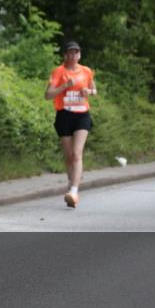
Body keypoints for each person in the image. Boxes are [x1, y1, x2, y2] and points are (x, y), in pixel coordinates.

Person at [45, 41, 96, 208]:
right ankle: (71, 182)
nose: (73, 55)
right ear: (65, 55)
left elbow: (94, 90)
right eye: (70, 52)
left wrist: (89, 92)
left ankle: (74, 191)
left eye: (76, 52)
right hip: (64, 115)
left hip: (82, 115)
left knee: (76, 153)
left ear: (79, 55)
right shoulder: (58, 72)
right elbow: (48, 95)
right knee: (68, 157)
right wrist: (65, 85)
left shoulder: (86, 71)